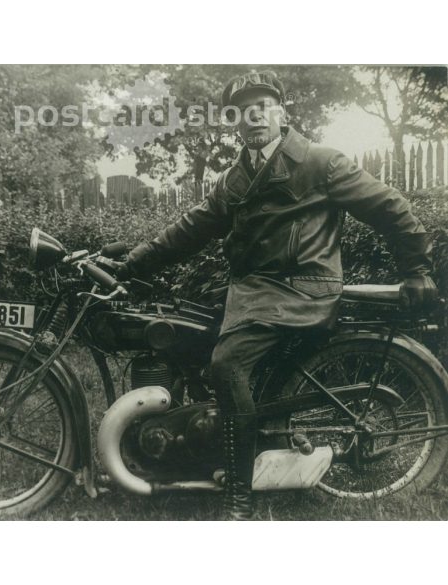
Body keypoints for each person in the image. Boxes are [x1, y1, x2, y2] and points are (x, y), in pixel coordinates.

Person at [117, 70, 438, 520]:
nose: (253, 118)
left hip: (302, 288)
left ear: (282, 113)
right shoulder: (237, 177)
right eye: (242, 112)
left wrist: (417, 270)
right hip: (257, 290)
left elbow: (390, 206)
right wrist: (132, 264)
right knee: (188, 330)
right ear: (235, 123)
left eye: (262, 108)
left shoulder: (318, 162)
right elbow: (191, 230)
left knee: (227, 363)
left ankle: (239, 494)